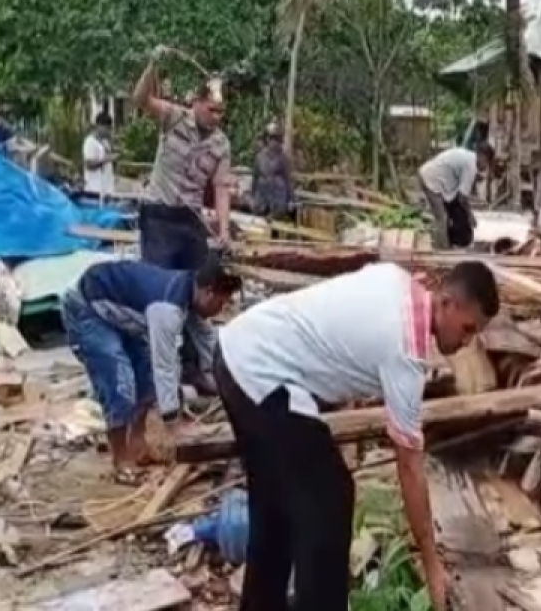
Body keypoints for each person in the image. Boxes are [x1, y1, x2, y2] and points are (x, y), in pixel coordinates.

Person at [214, 260, 499, 611]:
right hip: (262, 373)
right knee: (330, 494)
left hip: (235, 351)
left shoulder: (397, 280)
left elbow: (340, 330)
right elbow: (409, 467)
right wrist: (432, 565)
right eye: (467, 329)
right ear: (445, 302)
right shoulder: (405, 353)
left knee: (276, 503)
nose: (468, 342)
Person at [59, 256, 241, 483]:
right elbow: (164, 365)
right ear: (208, 292)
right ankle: (121, 460)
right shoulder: (167, 309)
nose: (222, 309)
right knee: (119, 379)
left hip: (120, 311)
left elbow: (209, 344)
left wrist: (231, 385)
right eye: (222, 303)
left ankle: (138, 444)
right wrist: (173, 423)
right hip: (88, 307)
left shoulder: (191, 292)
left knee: (144, 376)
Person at [132, 46, 233, 269]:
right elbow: (140, 99)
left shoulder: (221, 144)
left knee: (196, 281)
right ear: (196, 102)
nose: (216, 117)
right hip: (158, 213)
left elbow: (222, 188)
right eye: (211, 109)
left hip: (190, 218)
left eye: (221, 111)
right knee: (158, 277)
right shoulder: (173, 117)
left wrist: (224, 230)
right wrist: (152, 66)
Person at [417, 142, 494, 249]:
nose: (485, 167)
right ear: (482, 156)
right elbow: (462, 197)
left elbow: (461, 191)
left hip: (435, 178)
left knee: (448, 217)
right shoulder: (471, 165)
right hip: (431, 179)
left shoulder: (469, 158)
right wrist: (470, 215)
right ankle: (443, 250)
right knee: (442, 218)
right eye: (486, 163)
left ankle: (444, 242)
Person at [251, 123, 294, 222]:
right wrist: (253, 197)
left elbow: (288, 180)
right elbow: (255, 178)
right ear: (267, 140)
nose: (276, 142)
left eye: (278, 139)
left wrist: (291, 199)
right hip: (262, 198)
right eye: (273, 139)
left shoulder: (283, 158)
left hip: (277, 200)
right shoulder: (260, 157)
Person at [82, 112, 117, 199]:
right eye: (106, 128)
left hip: (107, 189)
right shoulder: (90, 142)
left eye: (109, 128)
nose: (108, 131)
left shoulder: (105, 142)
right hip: (95, 189)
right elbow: (89, 164)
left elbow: (109, 159)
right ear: (98, 126)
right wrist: (106, 159)